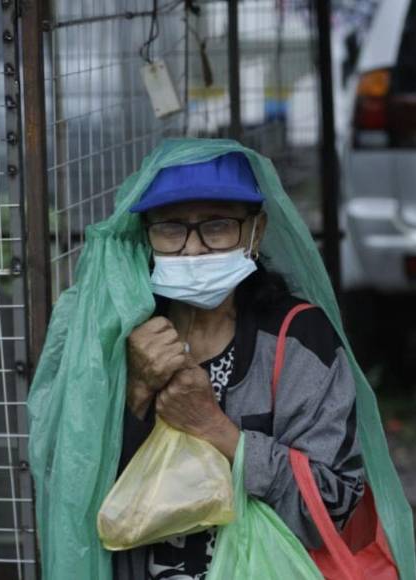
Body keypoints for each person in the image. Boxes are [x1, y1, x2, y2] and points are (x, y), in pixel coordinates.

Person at [113, 152, 365, 579]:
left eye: (216, 226)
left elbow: (334, 503)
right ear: (146, 236)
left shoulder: (298, 339)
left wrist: (218, 431)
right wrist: (137, 392)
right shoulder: (122, 337)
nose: (192, 247)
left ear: (255, 231)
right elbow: (75, 486)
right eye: (171, 227)